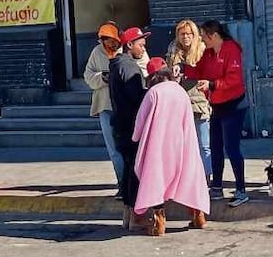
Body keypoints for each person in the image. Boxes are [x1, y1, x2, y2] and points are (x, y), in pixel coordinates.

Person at [131, 57, 211, 236]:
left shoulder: (153, 93)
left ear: (152, 77)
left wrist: (135, 137)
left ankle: (159, 222)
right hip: (182, 142)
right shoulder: (180, 91)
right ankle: (198, 216)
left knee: (155, 180)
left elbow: (140, 120)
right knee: (189, 177)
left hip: (158, 145)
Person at [186, 20, 250, 207]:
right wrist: (182, 68)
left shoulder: (231, 49)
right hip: (217, 105)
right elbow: (198, 70)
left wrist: (212, 84)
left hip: (234, 105)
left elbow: (234, 79)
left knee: (231, 148)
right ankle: (216, 187)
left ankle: (241, 190)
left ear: (213, 35)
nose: (202, 40)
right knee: (215, 147)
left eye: (204, 37)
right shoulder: (208, 53)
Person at [108, 26, 151, 226]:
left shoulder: (118, 65)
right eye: (141, 45)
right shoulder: (129, 67)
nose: (143, 48)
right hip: (130, 126)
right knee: (135, 171)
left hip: (120, 125)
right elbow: (137, 98)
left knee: (128, 169)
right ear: (130, 45)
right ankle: (136, 216)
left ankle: (128, 216)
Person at [167, 19, 214, 184]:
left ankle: (207, 178)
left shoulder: (203, 50)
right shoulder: (173, 51)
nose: (186, 37)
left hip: (199, 102)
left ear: (195, 35)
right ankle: (187, 178)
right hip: (180, 103)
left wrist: (186, 68)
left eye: (189, 34)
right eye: (182, 34)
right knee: (183, 146)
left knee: (204, 144)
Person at [83, 22, 125, 190]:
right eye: (106, 40)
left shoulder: (127, 49)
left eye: (112, 39)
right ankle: (122, 182)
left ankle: (133, 182)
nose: (109, 43)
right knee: (113, 148)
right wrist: (102, 77)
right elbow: (88, 75)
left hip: (126, 105)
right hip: (105, 106)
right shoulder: (97, 52)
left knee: (129, 145)